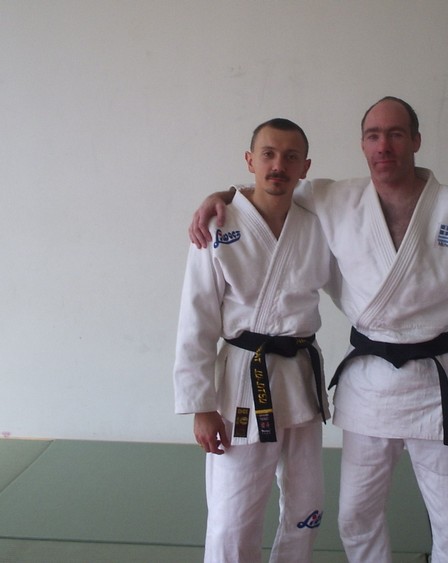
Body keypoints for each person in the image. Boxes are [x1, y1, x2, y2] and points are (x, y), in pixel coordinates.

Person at [189, 97, 448, 563]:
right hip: (368, 385)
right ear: (363, 145)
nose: (384, 145)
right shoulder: (335, 199)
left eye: (396, 134)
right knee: (354, 518)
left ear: (416, 141)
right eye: (373, 135)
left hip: (437, 383)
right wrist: (224, 195)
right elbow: (270, 189)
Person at [173, 118, 336, 563]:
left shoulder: (318, 225)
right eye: (268, 154)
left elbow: (359, 287)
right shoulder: (217, 227)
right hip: (244, 382)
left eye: (290, 156)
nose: (277, 165)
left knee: (307, 505)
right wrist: (201, 406)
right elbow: (196, 322)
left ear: (305, 167)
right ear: (250, 161)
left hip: (300, 378)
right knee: (234, 513)